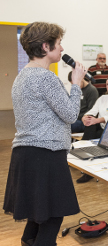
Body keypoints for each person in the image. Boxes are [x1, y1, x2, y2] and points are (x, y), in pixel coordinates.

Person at [4, 22, 87, 246]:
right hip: (46, 154)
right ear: (45, 46)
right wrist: (76, 83)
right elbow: (70, 114)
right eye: (58, 44)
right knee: (52, 216)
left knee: (37, 215)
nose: (62, 49)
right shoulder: (45, 77)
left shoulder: (22, 76)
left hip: (27, 154)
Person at [78, 75, 108, 183]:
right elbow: (92, 110)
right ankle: (85, 155)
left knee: (92, 124)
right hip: (102, 128)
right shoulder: (103, 98)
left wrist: (96, 120)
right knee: (89, 124)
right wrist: (84, 117)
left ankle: (84, 160)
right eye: (107, 84)